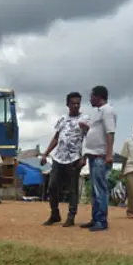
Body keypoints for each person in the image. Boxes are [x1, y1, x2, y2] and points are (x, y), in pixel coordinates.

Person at [42, 92, 89, 227]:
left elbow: (89, 138)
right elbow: (56, 138)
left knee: (72, 189)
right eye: (73, 103)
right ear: (67, 104)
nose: (76, 106)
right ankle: (55, 214)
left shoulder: (84, 119)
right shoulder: (62, 119)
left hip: (74, 159)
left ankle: (71, 216)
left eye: (78, 103)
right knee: (52, 186)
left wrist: (84, 157)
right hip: (58, 158)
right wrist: (45, 154)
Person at [81, 86, 116, 232]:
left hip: (101, 155)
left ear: (98, 97)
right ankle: (95, 218)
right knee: (95, 190)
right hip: (93, 155)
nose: (90, 99)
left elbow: (110, 132)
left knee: (100, 189)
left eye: (92, 96)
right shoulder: (97, 112)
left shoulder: (108, 111)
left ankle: (101, 220)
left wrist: (109, 154)